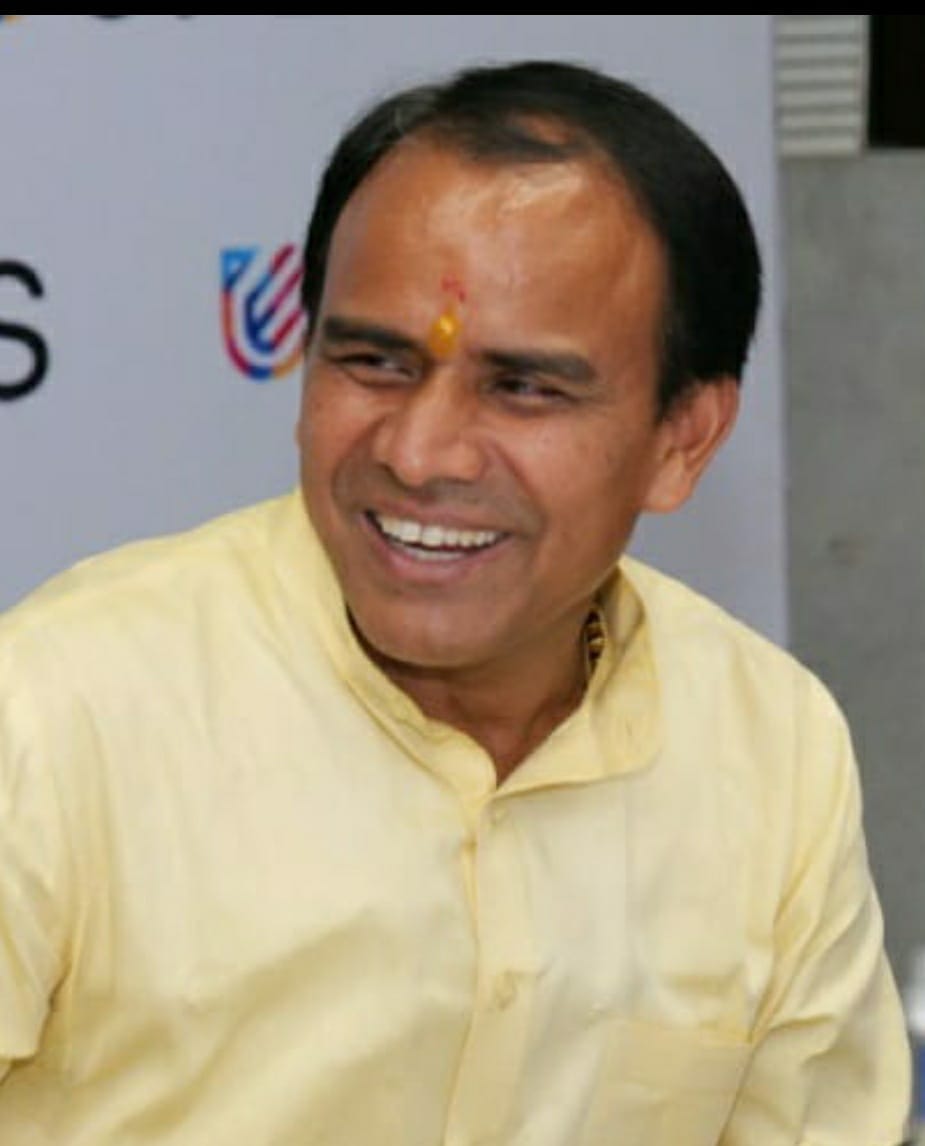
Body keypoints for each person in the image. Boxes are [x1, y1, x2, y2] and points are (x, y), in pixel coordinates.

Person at [0, 59, 911, 1145]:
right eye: (374, 362)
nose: (419, 453)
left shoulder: (769, 747)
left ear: (683, 439)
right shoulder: (57, 716)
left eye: (523, 387)